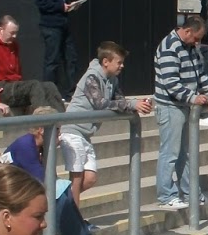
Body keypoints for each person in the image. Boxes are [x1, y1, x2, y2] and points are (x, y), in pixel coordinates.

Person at [62, 40, 152, 207]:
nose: (122, 66)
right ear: (106, 62)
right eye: (119, 62)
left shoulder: (112, 80)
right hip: (72, 130)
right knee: (76, 178)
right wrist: (133, 105)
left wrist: (139, 105)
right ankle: (72, 220)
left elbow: (120, 101)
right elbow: (100, 103)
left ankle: (58, 203)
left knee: (90, 178)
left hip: (86, 134)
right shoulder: (91, 77)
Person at [152, 15, 208, 209]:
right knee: (170, 153)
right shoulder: (170, 47)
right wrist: (192, 97)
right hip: (170, 107)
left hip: (185, 106)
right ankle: (166, 195)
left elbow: (200, 74)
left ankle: (190, 192)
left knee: (186, 152)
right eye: (196, 38)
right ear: (187, 31)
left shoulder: (191, 47)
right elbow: (171, 82)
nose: (198, 42)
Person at [0, 15, 67, 116]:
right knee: (34, 85)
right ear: (1, 30)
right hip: (1, 89)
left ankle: (62, 122)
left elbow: (17, 72)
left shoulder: (13, 45)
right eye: (12, 33)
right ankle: (42, 123)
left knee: (49, 86)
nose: (15, 36)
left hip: (14, 86)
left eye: (16, 33)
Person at [34, 0, 85, 92]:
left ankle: (70, 90)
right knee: (52, 60)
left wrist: (71, 6)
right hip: (51, 25)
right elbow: (40, 1)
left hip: (63, 23)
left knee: (71, 57)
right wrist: (60, 6)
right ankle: (50, 93)